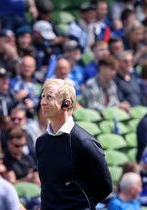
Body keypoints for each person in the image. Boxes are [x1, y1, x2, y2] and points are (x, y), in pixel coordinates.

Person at [36, 78, 112, 210]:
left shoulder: (83, 142)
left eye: (49, 97)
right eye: (42, 96)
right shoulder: (41, 142)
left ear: (66, 103)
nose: (43, 102)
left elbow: (105, 187)